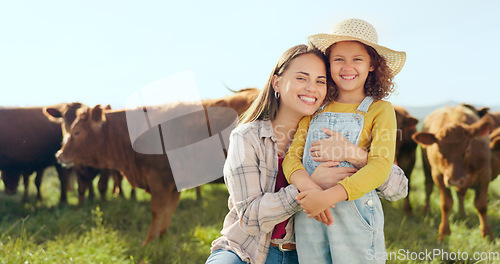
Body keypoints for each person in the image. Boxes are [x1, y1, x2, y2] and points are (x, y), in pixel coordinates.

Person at [206, 43, 406, 264]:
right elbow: (251, 217)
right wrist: (311, 187)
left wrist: (353, 153)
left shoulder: (366, 115)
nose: (312, 88)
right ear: (277, 83)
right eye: (302, 78)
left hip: (308, 249)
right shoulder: (247, 137)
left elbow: (398, 188)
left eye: (320, 81)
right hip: (251, 250)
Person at [282, 18, 406, 264]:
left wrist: (327, 197)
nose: (347, 66)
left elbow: (380, 166)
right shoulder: (315, 108)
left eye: (357, 59)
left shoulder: (380, 110)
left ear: (372, 64)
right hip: (310, 215)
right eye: (339, 59)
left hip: (356, 217)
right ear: (328, 64)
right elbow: (291, 159)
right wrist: (311, 190)